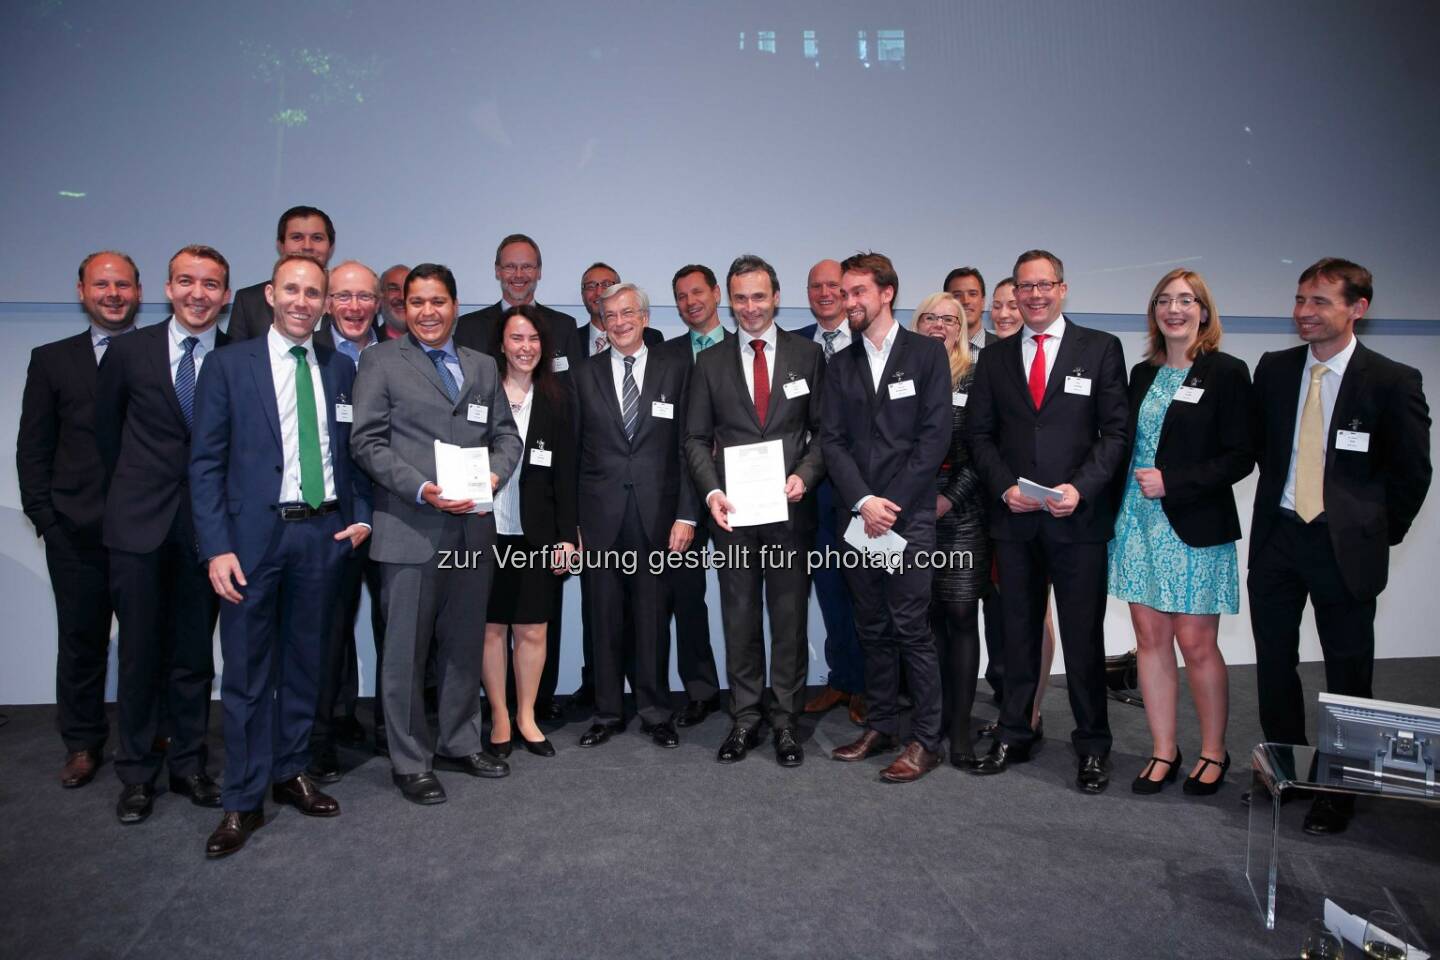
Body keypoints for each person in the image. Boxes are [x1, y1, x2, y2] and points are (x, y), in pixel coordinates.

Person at [190, 253, 373, 857]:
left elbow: (351, 455)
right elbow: (206, 464)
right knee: (245, 675)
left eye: (313, 293)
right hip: (250, 542)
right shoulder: (227, 366)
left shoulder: (337, 367)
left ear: (324, 302)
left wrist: (358, 518)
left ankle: (290, 770)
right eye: (292, 290)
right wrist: (216, 546)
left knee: (306, 665)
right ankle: (242, 799)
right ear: (270, 294)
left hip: (319, 538)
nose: (302, 301)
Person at [1248, 257, 1431, 834]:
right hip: (1278, 535)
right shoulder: (1274, 370)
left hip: (1342, 544)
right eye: (1301, 300)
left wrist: (1375, 535)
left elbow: (1413, 474)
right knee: (1274, 662)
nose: (1304, 312)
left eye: (1320, 301)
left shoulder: (1391, 380)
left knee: (1348, 668)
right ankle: (1286, 769)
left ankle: (1343, 787)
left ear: (1358, 308)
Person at [351, 263, 522, 805]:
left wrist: (495, 473)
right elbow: (368, 443)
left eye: (439, 301)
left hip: (473, 528)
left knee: (463, 644)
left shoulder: (482, 366)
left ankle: (459, 739)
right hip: (410, 527)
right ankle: (409, 758)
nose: (428, 312)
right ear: (403, 306)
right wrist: (422, 488)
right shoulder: (380, 360)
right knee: (405, 650)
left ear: (454, 305)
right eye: (418, 302)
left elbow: (506, 436)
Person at [966, 249, 1128, 794]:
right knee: (1017, 635)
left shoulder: (1101, 349)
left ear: (1062, 288)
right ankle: (1016, 731)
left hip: (1076, 521)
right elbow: (980, 437)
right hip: (1015, 519)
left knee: (1083, 638)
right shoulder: (995, 359)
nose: (1034, 296)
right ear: (1014, 293)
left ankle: (1093, 746)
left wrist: (1079, 489)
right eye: (1024, 287)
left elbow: (1116, 435)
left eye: (1044, 285)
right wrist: (1005, 486)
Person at [96, 245, 231, 823]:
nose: (198, 293)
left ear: (226, 295)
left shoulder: (237, 356)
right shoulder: (129, 352)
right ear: (168, 288)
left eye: (211, 284)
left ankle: (189, 763)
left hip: (207, 531)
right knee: (139, 656)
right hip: (139, 528)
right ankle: (135, 774)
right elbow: (105, 437)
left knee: (194, 655)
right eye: (187, 282)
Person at [1108, 269, 1253, 796]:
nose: (1175, 309)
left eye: (1186, 301)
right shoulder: (1142, 374)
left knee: (1196, 644)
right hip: (1137, 524)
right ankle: (1163, 749)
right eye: (1164, 301)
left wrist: (1176, 482)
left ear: (1204, 312)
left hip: (1192, 523)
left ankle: (1214, 751)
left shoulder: (1227, 373)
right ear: (1153, 312)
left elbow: (1242, 455)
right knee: (1149, 641)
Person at [685, 255, 824, 766]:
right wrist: (710, 493)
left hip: (789, 513)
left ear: (775, 296)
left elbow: (825, 434)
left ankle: (785, 720)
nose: (750, 308)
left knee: (788, 620)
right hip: (733, 514)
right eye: (740, 298)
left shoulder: (807, 356)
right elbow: (696, 439)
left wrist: (804, 476)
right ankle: (745, 717)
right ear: (729, 299)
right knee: (739, 617)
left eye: (758, 296)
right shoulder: (710, 362)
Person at [820, 252, 951, 783]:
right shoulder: (839, 365)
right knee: (870, 626)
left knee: (911, 629)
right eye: (844, 293)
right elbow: (832, 442)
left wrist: (888, 505)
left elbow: (934, 437)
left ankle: (925, 739)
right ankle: (881, 724)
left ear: (886, 293)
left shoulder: (926, 355)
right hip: (859, 518)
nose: (848, 302)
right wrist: (863, 502)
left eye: (858, 293)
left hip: (908, 517)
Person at [18, 251, 139, 788]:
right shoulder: (51, 359)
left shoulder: (157, 352)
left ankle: (147, 735)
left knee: (146, 643)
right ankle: (83, 742)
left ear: (138, 291)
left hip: (145, 528)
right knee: (82, 641)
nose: (112, 294)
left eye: (122, 285)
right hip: (76, 530)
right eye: (102, 284)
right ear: (81, 290)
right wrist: (46, 517)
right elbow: (34, 446)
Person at [572, 282, 697, 749]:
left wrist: (687, 514)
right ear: (601, 321)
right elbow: (573, 456)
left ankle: (654, 710)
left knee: (652, 618)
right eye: (611, 315)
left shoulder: (677, 369)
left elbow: (689, 449)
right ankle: (607, 712)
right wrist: (574, 527)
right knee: (602, 619)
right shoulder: (583, 376)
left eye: (628, 313)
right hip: (600, 519)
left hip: (659, 518)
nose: (620, 322)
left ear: (644, 317)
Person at [481, 306, 578, 759]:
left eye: (533, 339)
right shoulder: (480, 395)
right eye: (516, 338)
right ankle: (499, 715)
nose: (525, 347)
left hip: (537, 532)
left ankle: (526, 715)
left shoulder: (559, 399)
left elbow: (568, 476)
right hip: (485, 530)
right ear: (501, 344)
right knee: (492, 629)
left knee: (534, 629)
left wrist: (567, 536)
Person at [307, 261, 390, 779]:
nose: (354, 307)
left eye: (364, 297)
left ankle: (390, 727)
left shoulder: (398, 355)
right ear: (326, 302)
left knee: (395, 630)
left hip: (392, 512)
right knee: (325, 634)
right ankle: (325, 732)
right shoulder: (310, 358)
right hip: (331, 520)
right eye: (343, 297)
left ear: (378, 302)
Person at [912, 293, 990, 768]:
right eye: (930, 318)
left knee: (960, 616)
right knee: (924, 621)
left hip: (960, 515)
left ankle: (960, 729)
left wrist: (947, 499)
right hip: (909, 513)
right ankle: (931, 722)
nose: (939, 325)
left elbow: (983, 450)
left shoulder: (976, 378)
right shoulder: (904, 375)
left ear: (962, 328)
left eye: (949, 319)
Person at [979, 276, 1055, 734]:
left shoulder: (1057, 355)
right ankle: (1013, 700)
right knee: (1006, 609)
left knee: (1035, 612)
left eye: (1014, 303)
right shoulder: (989, 361)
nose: (1007, 312)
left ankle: (1033, 708)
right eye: (1000, 306)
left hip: (1045, 508)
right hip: (995, 504)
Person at [796, 258, 865, 725]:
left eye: (832, 286)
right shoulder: (795, 344)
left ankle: (869, 685)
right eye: (816, 286)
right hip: (806, 490)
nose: (824, 293)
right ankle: (842, 677)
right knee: (828, 588)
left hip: (858, 488)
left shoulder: (871, 342)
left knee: (864, 588)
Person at [661, 263, 727, 727]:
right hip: (680, 496)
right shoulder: (665, 355)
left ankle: (750, 691)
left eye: (697, 292)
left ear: (716, 293)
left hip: (739, 495)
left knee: (744, 596)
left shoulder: (745, 346)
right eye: (681, 296)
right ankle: (700, 689)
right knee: (686, 597)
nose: (690, 302)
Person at [453, 233, 582, 365]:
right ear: (498, 271)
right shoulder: (468, 328)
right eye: (510, 266)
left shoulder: (564, 327)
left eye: (526, 267)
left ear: (539, 271)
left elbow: (575, 383)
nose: (519, 275)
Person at [227, 206, 335, 341]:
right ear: (281, 245)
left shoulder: (353, 302)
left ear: (331, 246)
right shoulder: (249, 301)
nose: (307, 246)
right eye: (297, 237)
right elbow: (234, 357)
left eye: (317, 238)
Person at [944, 266, 994, 356]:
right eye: (957, 295)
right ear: (945, 302)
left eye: (972, 294)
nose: (966, 301)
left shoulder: (1004, 348)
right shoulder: (934, 348)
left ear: (983, 301)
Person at [378, 264, 410, 339]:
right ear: (380, 296)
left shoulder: (434, 342)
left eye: (407, 289)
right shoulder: (368, 344)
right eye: (394, 289)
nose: (402, 297)